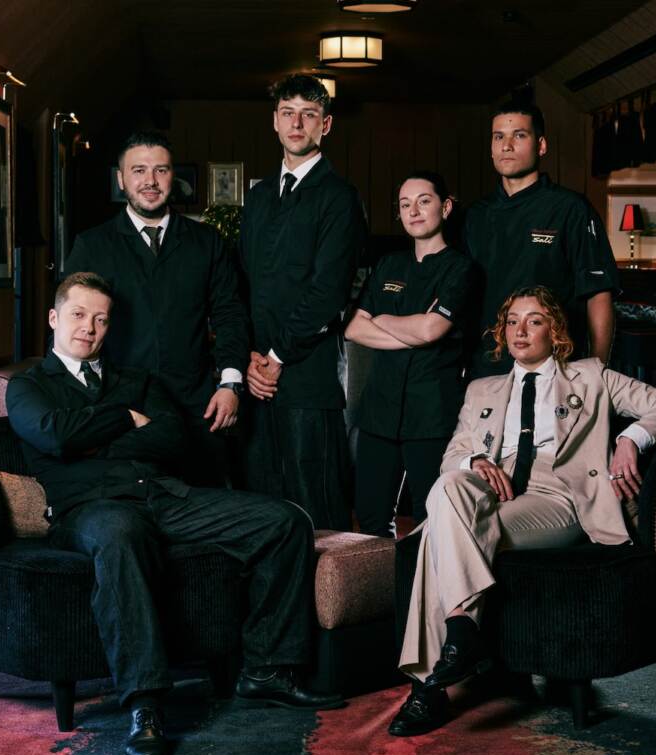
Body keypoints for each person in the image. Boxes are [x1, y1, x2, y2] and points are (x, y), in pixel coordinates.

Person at [6, 273, 343, 755]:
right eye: (78, 315)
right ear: (55, 318)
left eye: (100, 319)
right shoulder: (28, 385)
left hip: (164, 496)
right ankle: (145, 705)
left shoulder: (137, 380)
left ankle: (268, 669)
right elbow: (53, 435)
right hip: (92, 509)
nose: (89, 328)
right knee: (121, 536)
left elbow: (172, 439)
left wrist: (92, 439)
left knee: (284, 521)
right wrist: (124, 418)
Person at [389, 285, 656, 736]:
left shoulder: (592, 376)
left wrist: (630, 438)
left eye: (534, 321)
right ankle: (461, 632)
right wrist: (476, 461)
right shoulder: (482, 390)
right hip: (494, 487)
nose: (520, 331)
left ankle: (428, 687)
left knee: (436, 533)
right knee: (449, 484)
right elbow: (452, 457)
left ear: (555, 331)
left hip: (558, 498)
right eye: (512, 321)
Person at [66, 131, 248, 487]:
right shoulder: (92, 245)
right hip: (121, 408)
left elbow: (230, 315)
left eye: (160, 170)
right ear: (121, 179)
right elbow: (70, 329)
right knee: (134, 507)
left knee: (208, 506)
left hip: (198, 407)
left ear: (172, 177)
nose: (150, 181)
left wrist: (230, 384)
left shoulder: (206, 242)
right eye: (139, 170)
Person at [239, 73, 367, 531]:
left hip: (308, 379)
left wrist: (276, 358)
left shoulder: (339, 199)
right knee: (261, 508)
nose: (297, 124)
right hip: (256, 381)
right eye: (288, 113)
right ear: (274, 121)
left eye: (308, 115)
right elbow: (244, 282)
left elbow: (328, 293)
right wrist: (249, 357)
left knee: (316, 511)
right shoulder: (258, 197)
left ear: (325, 125)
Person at [345, 171, 474, 537]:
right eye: (405, 204)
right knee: (370, 518)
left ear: (445, 208)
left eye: (424, 201)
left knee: (428, 518)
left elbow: (432, 330)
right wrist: (415, 331)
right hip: (379, 411)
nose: (413, 211)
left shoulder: (461, 268)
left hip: (431, 411)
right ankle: (382, 578)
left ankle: (420, 578)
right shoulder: (388, 264)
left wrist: (383, 319)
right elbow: (354, 329)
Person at [465, 102, 619, 377]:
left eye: (519, 135)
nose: (507, 146)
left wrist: (597, 372)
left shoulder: (570, 209)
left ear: (541, 145)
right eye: (499, 137)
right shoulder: (475, 216)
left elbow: (598, 294)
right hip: (486, 369)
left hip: (555, 369)